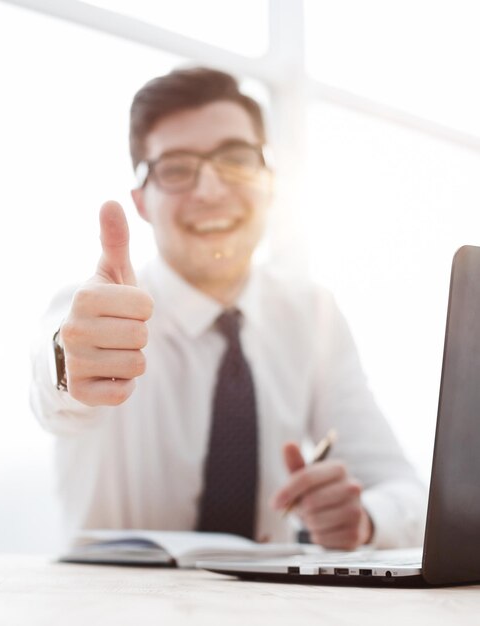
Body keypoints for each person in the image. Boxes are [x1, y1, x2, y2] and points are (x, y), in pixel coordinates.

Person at [31, 67, 426, 548]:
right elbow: (53, 387)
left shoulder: (311, 315)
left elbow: (406, 491)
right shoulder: (95, 312)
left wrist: (365, 518)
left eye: (236, 159)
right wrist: (69, 362)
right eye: (176, 168)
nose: (211, 191)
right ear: (142, 202)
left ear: (269, 181)